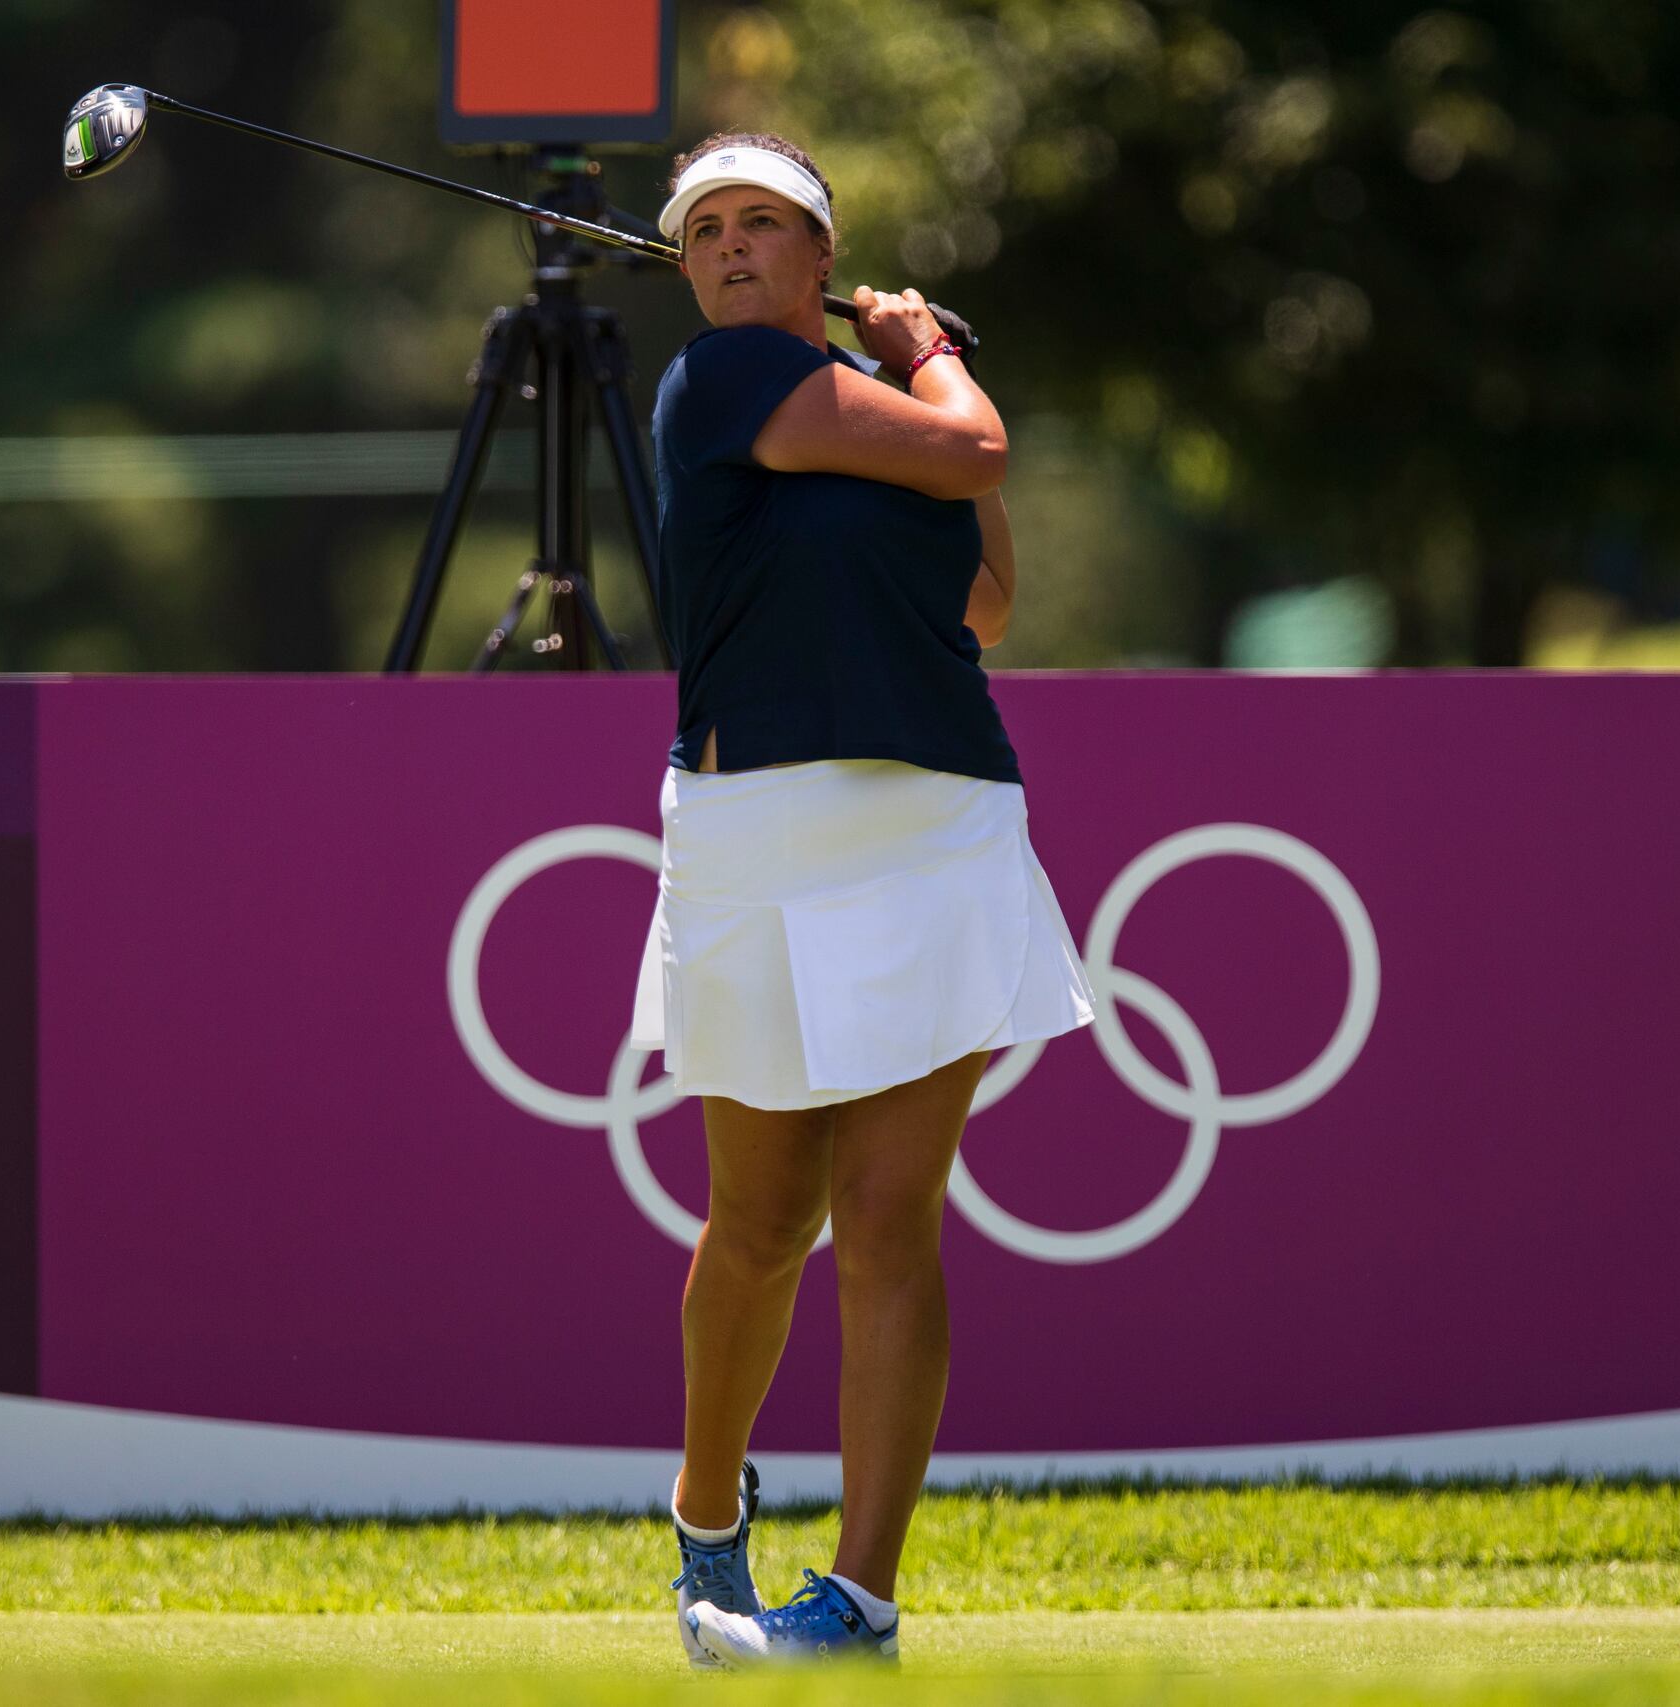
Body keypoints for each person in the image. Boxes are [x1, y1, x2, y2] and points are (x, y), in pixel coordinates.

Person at [624, 133, 1097, 1669]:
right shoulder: (718, 385)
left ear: (820, 257)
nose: (733, 249)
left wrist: (915, 385)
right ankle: (709, 1519)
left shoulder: (877, 420)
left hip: (934, 819)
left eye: (767, 225)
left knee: (894, 1216)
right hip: (757, 823)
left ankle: (864, 1606)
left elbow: (987, 595)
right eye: (707, 232)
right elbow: (975, 454)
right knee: (761, 1220)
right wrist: (935, 354)